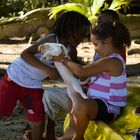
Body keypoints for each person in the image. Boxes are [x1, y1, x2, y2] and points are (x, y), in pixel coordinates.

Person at [0, 11, 91, 140]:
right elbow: (25, 54)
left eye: (85, 36)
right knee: (3, 111)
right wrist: (47, 70)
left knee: (39, 121)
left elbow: (73, 69)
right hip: (14, 79)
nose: (82, 39)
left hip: (33, 86)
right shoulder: (52, 39)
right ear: (70, 29)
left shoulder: (71, 49)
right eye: (81, 35)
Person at [53, 21, 131, 140]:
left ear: (107, 43)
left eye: (96, 44)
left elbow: (81, 71)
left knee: (81, 105)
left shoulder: (112, 61)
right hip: (97, 101)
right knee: (73, 94)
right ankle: (71, 132)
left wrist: (63, 60)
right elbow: (85, 75)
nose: (95, 49)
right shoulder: (106, 59)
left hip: (109, 107)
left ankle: (78, 137)